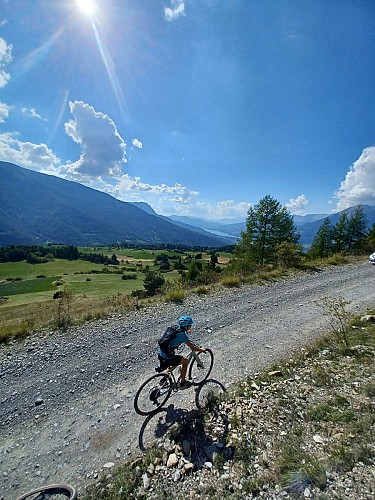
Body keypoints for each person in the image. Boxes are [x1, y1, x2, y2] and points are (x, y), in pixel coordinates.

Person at [158, 315, 206, 388]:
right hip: (167, 356)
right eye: (190, 325)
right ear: (186, 326)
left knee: (175, 361)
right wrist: (201, 350)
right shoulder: (182, 335)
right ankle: (183, 383)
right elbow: (192, 347)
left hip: (161, 352)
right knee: (185, 360)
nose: (191, 326)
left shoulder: (174, 328)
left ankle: (163, 379)